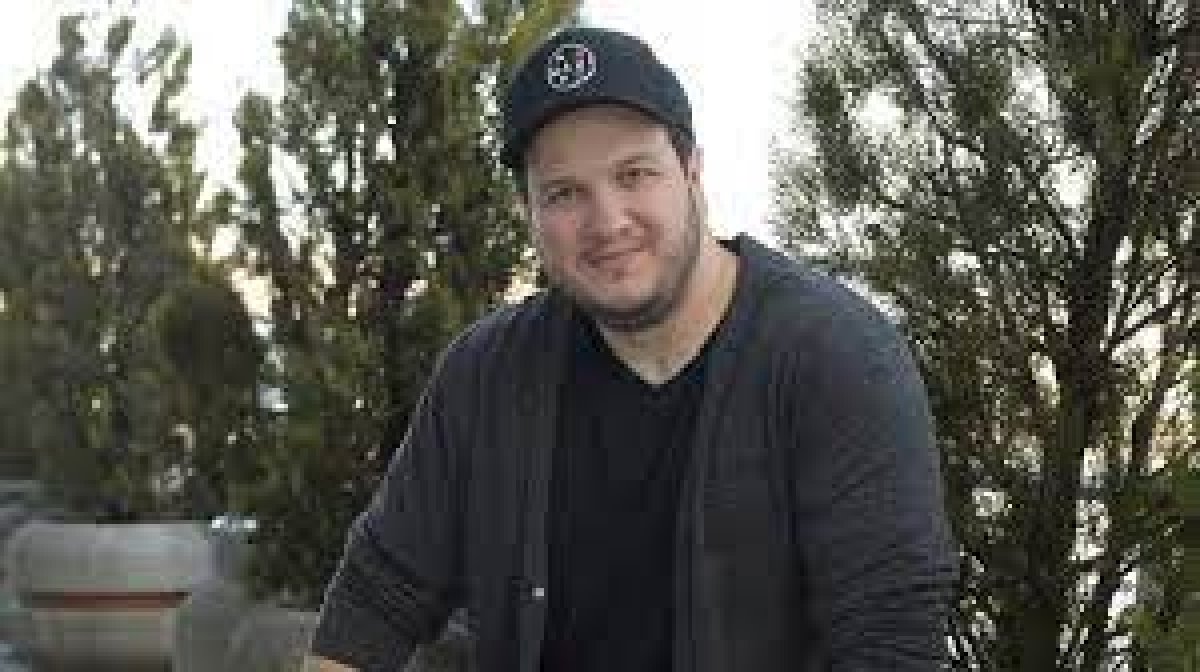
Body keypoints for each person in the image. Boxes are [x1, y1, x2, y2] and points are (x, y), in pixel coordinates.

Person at [305, 26, 958, 672]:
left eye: (634, 174)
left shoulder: (834, 359)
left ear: (692, 171)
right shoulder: (488, 373)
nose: (608, 221)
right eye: (565, 193)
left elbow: (890, 639)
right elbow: (378, 594)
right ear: (530, 211)